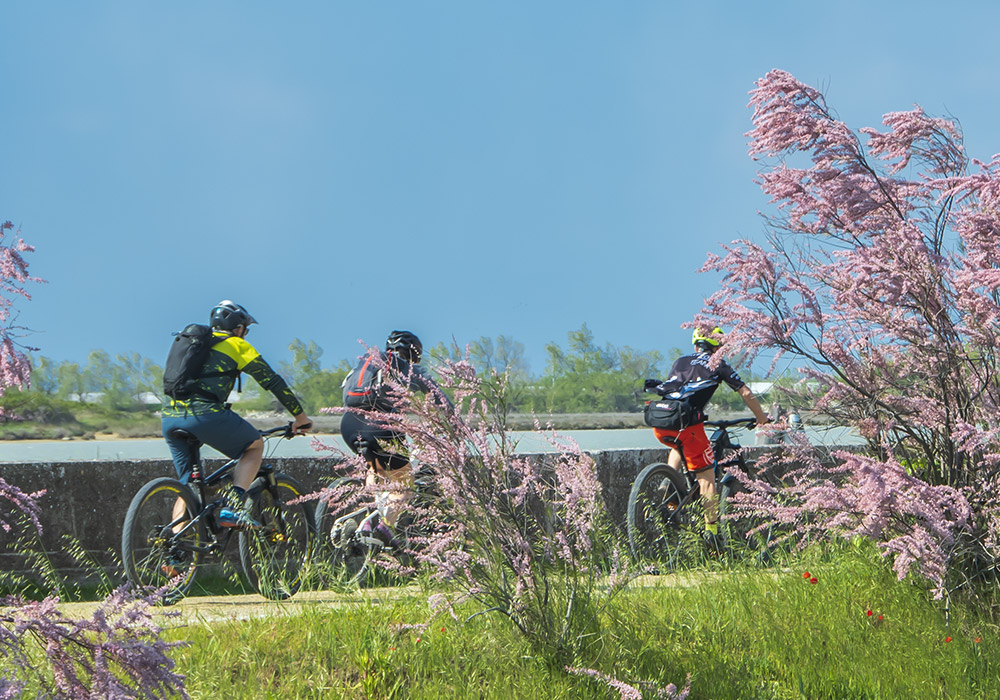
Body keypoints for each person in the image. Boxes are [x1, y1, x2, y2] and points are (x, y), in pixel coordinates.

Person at [162, 300, 313, 528]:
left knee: (189, 487)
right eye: (246, 330)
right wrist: (301, 418)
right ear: (239, 328)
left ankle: (174, 544)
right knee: (255, 445)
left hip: (169, 417)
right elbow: (272, 381)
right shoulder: (237, 345)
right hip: (205, 416)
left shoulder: (194, 345)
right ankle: (232, 509)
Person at [644, 327, 769, 538]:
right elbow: (746, 393)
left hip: (663, 420)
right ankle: (712, 533)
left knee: (679, 443)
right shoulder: (718, 364)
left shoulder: (680, 361)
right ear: (718, 347)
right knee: (707, 478)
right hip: (688, 424)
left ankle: (669, 481)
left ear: (696, 346)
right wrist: (761, 417)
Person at [340, 330, 451, 548]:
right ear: (414, 354)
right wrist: (455, 423)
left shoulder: (367, 365)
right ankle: (383, 527)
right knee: (405, 483)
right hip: (379, 427)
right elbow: (438, 396)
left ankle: (368, 520)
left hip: (348, 424)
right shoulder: (406, 367)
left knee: (376, 467)